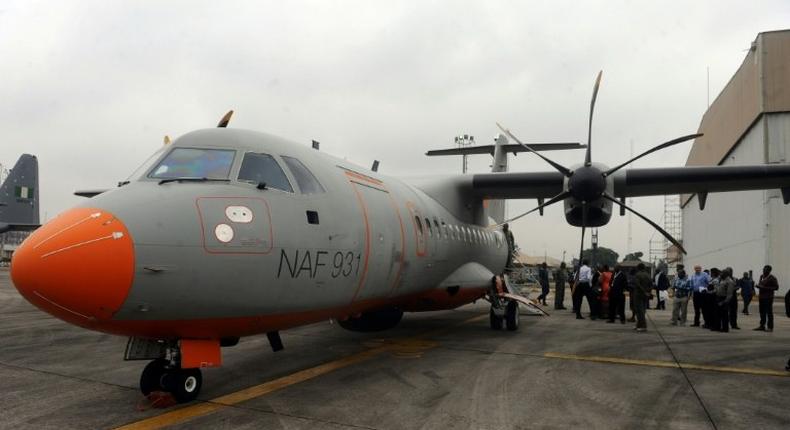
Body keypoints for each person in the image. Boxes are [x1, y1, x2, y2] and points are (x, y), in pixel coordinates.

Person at [754, 265, 779, 332]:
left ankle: (770, 327)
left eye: (765, 269)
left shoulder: (772, 278)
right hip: (761, 297)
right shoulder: (761, 276)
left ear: (769, 270)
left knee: (769, 312)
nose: (764, 270)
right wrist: (758, 286)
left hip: (768, 297)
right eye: (763, 269)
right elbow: (760, 284)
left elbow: (776, 288)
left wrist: (764, 288)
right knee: (762, 312)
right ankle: (762, 326)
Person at [715, 268, 736, 332]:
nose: (720, 274)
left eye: (722, 273)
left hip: (724, 299)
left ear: (726, 274)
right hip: (718, 298)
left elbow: (729, 294)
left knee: (724, 315)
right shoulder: (721, 280)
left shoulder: (730, 281)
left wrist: (724, 302)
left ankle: (725, 328)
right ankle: (718, 327)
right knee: (718, 314)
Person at [633, 263, 652, 332]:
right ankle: (639, 325)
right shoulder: (648, 275)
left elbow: (638, 285)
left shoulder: (638, 275)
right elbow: (651, 285)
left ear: (638, 268)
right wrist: (648, 292)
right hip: (645, 295)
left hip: (638, 295)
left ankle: (643, 326)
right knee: (643, 310)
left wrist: (644, 291)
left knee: (639, 311)